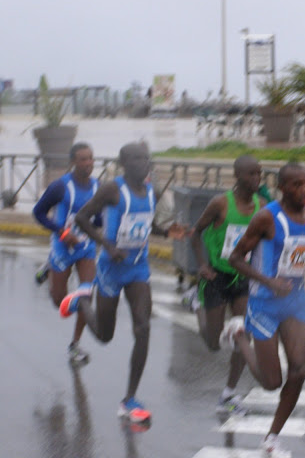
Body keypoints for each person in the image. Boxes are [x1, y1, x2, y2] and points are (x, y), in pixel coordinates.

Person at [58, 142, 187, 425]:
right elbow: (81, 218)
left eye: (147, 157)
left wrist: (166, 232)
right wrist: (106, 243)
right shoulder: (112, 190)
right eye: (138, 158)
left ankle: (129, 399)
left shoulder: (151, 191)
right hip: (110, 270)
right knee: (105, 336)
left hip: (138, 269)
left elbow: (146, 224)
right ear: (124, 163)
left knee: (143, 327)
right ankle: (81, 302)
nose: (145, 163)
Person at [225, 162, 305, 456]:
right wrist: (268, 280)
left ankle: (272, 437)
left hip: (294, 302)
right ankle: (239, 335)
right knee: (271, 382)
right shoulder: (266, 218)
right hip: (263, 304)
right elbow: (236, 259)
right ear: (282, 188)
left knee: (299, 371)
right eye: (297, 185)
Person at [188, 155, 264, 414]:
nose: (257, 179)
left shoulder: (260, 205)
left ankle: (229, 394)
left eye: (259, 174)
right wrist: (202, 265)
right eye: (251, 174)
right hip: (216, 277)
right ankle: (196, 303)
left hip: (242, 279)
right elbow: (195, 233)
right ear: (238, 176)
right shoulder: (220, 204)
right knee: (213, 343)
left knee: (244, 333)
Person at [32, 142, 100, 365]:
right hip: (62, 247)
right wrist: (61, 232)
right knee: (59, 302)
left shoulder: (98, 187)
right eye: (83, 159)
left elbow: (98, 220)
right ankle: (50, 265)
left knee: (85, 296)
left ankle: (75, 346)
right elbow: (38, 212)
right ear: (72, 162)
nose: (88, 163)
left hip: (85, 248)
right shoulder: (60, 187)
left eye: (91, 158)